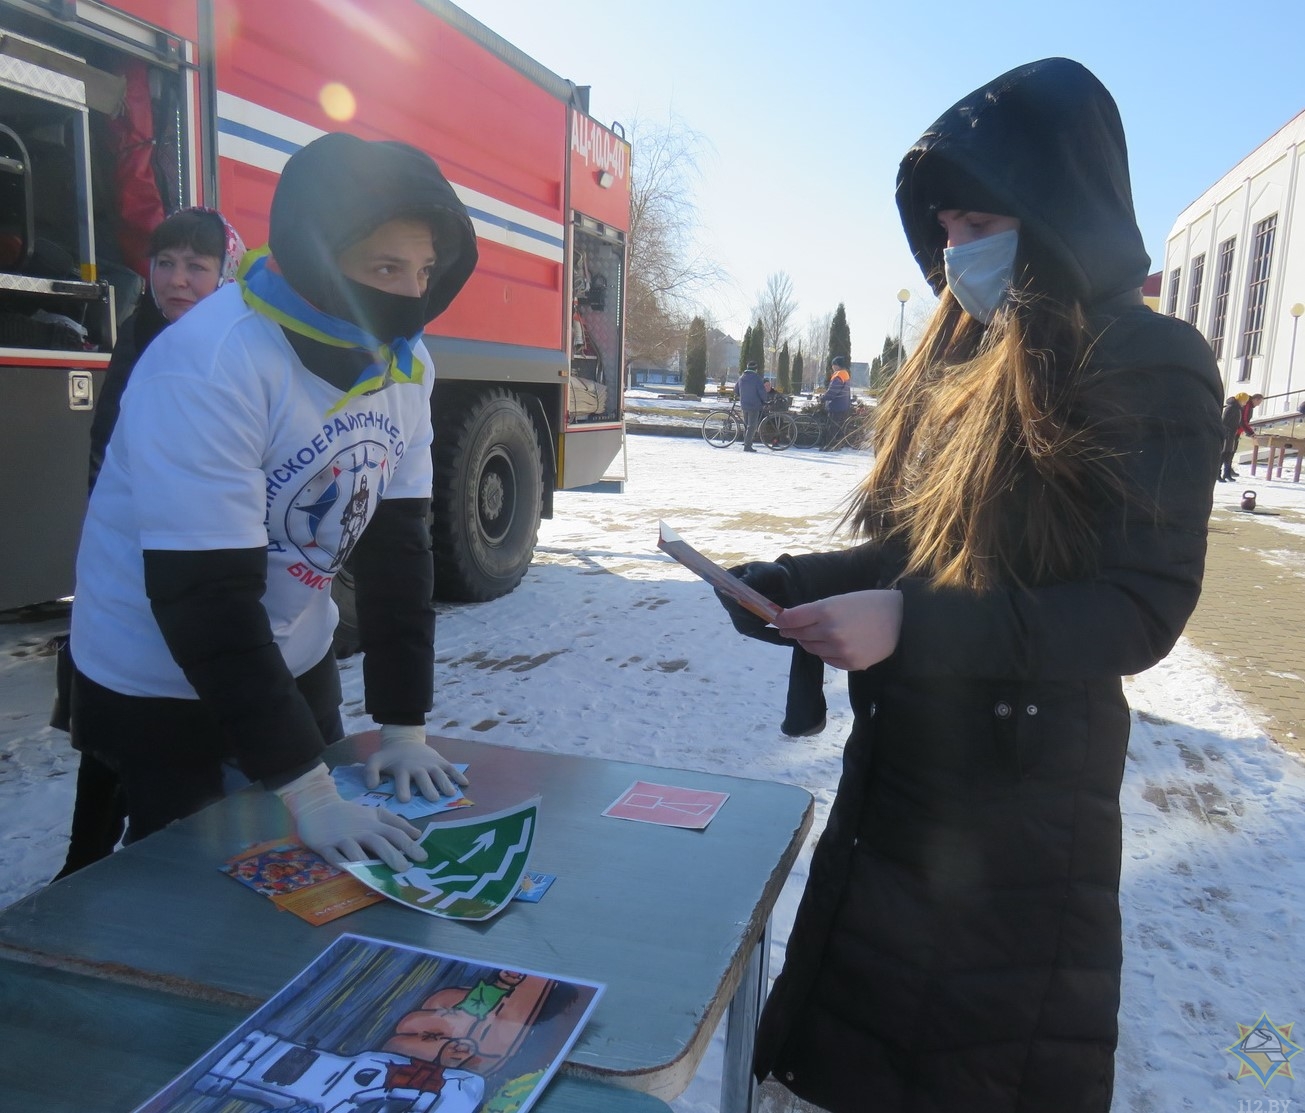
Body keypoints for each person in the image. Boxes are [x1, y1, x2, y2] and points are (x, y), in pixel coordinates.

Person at [714, 58, 1222, 1112]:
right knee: (840, 1059)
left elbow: (1140, 606)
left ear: (1059, 212)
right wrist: (792, 587)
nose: (958, 253)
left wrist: (910, 624)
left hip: (1020, 825)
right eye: (945, 228)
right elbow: (911, 552)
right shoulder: (963, 359)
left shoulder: (1152, 359)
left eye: (979, 222)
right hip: (898, 797)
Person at [65, 133, 479, 872]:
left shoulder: (406, 368)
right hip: (157, 669)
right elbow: (205, 597)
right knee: (192, 877)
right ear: (316, 255)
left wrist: (402, 725)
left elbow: (397, 550)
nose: (411, 295)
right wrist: (311, 793)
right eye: (385, 266)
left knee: (315, 870)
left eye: (423, 271)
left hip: (293, 646)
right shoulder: (211, 361)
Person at [53, 207, 247, 879]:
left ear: (226, 274)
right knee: (105, 722)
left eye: (197, 265)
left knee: (167, 738)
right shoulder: (139, 335)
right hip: (123, 567)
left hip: (192, 572)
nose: (178, 279)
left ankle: (143, 871)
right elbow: (104, 452)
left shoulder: (236, 353)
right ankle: (83, 864)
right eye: (165, 263)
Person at [1219, 390, 1262, 481]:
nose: (1245, 403)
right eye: (1259, 401)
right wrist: (1250, 433)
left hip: (1234, 432)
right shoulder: (1234, 408)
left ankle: (1227, 473)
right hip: (1230, 433)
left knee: (1230, 453)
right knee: (1225, 453)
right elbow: (1239, 421)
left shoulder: (1239, 408)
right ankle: (1219, 473)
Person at [821, 356, 852, 448]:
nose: (832, 367)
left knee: (832, 427)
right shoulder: (845, 374)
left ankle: (830, 446)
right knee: (839, 427)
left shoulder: (838, 375)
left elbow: (833, 391)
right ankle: (838, 446)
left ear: (837, 365)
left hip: (836, 405)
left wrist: (823, 398)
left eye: (833, 365)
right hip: (843, 405)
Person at [737, 359, 767, 451]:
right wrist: (765, 400)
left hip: (744, 404)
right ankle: (747, 445)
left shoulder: (741, 377)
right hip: (754, 405)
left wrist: (743, 396)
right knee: (752, 426)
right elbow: (761, 391)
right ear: (755, 369)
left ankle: (746, 441)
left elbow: (736, 390)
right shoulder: (757, 378)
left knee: (746, 424)